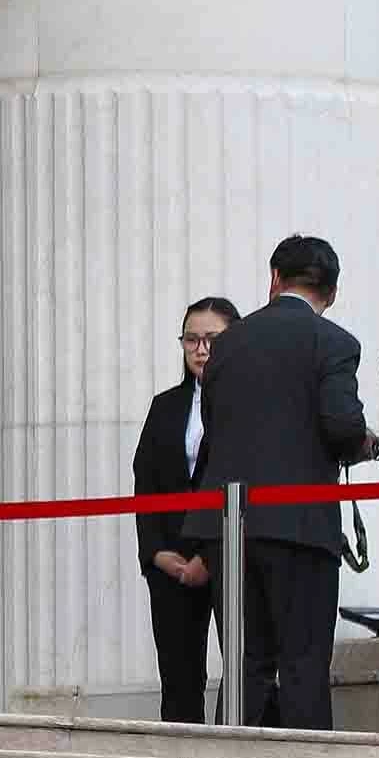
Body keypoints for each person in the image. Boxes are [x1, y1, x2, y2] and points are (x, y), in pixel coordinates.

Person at [183, 235, 379, 730]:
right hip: (300, 523)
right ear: (331, 293)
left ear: (275, 279)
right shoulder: (334, 342)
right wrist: (362, 443)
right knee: (302, 663)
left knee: (245, 662)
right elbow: (341, 424)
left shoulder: (226, 344)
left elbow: (214, 421)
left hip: (229, 523)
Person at [131, 298, 236, 722]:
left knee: (245, 673)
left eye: (212, 338)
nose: (201, 348)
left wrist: (208, 557)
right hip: (171, 560)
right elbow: (146, 479)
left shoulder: (248, 407)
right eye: (191, 339)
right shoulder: (166, 405)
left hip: (229, 557)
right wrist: (156, 552)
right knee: (179, 679)